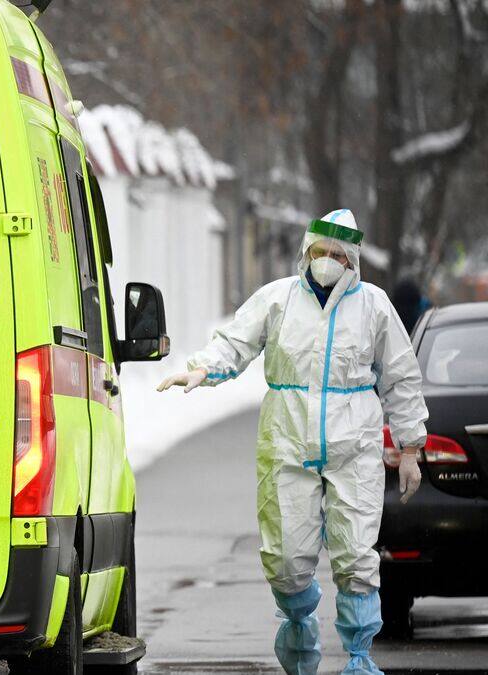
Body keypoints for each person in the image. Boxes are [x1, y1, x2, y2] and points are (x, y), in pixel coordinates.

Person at [157, 210, 428, 675]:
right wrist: (204, 368)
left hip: (354, 449)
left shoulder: (374, 307)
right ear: (306, 251)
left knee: (356, 558)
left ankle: (359, 659)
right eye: (320, 252)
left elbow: (400, 377)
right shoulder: (278, 299)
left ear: (352, 260)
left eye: (337, 255)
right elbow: (235, 341)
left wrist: (409, 447)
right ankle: (299, 623)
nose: (327, 261)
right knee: (284, 559)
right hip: (288, 445)